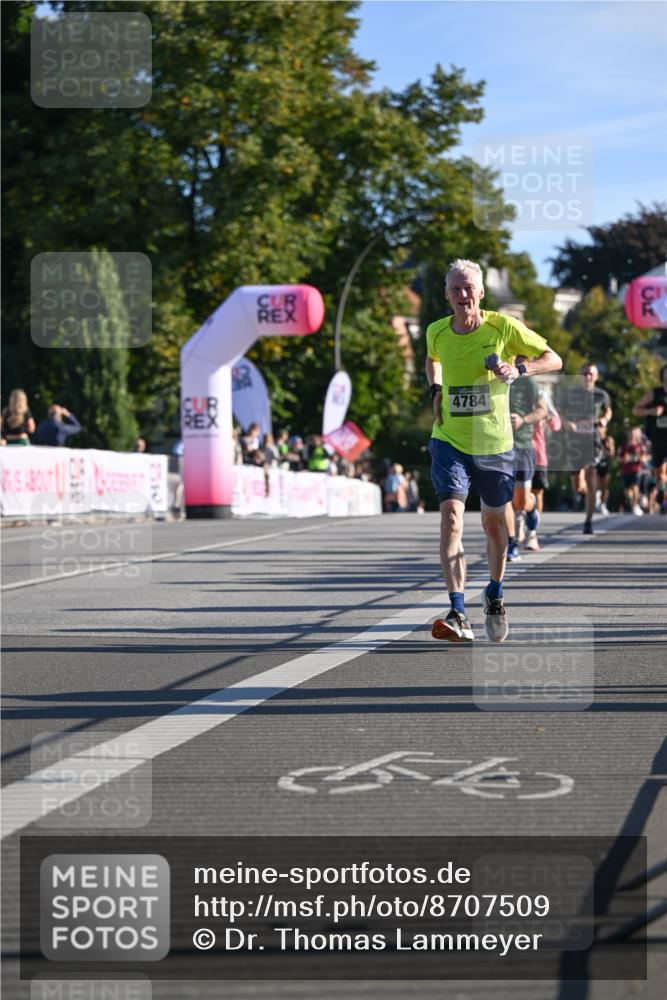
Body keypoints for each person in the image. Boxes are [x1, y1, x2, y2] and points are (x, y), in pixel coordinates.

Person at [425, 259, 562, 643]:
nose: (462, 295)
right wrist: (435, 389)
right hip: (449, 438)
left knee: (494, 525)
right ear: (447, 294)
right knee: (451, 517)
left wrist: (518, 371)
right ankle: (457, 610)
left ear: (481, 292)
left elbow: (554, 358)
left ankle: (495, 594)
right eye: (455, 288)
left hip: (494, 444)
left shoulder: (502, 326)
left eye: (469, 287)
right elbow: (432, 360)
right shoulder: (436, 332)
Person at [566, 363, 612, 535]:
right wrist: (566, 423)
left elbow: (608, 411)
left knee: (591, 474)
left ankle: (588, 521)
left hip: (593, 440)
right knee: (578, 485)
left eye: (591, 374)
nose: (588, 376)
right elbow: (560, 412)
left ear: (596, 377)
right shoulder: (571, 394)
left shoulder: (602, 395)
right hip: (574, 441)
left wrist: (605, 420)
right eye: (584, 373)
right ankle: (588, 494)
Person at [506, 373, 548, 557]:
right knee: (503, 499)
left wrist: (523, 420)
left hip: (523, 446)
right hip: (496, 446)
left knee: (521, 502)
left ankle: (530, 511)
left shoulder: (526, 380)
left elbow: (543, 410)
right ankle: (511, 543)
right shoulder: (488, 374)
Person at [633, 363, 667, 514]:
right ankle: (661, 490)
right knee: (659, 471)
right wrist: (652, 411)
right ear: (663, 375)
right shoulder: (655, 393)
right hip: (658, 438)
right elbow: (636, 410)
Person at [617, 426, 651, 515]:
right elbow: (618, 458)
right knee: (627, 490)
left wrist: (643, 458)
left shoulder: (641, 446)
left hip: (637, 470)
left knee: (635, 486)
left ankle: (635, 505)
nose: (633, 435)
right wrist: (624, 459)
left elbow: (648, 456)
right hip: (626, 471)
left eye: (635, 434)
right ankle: (631, 501)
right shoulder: (624, 446)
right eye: (631, 433)